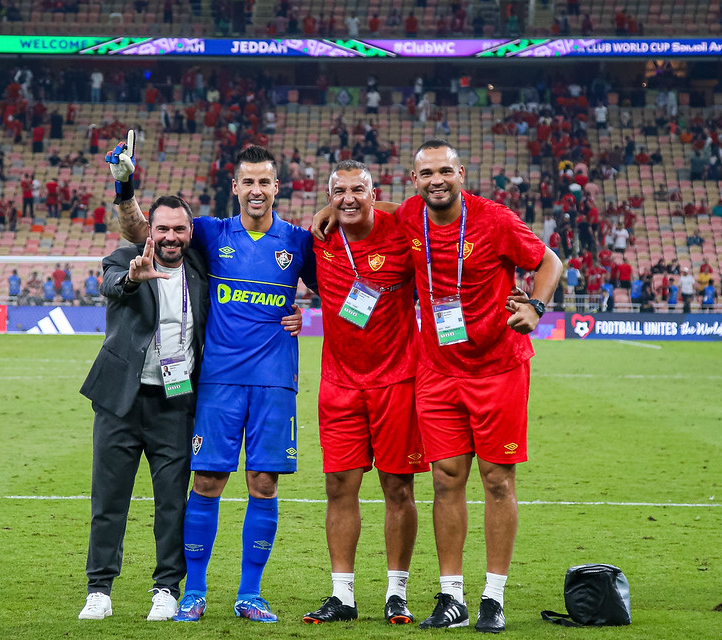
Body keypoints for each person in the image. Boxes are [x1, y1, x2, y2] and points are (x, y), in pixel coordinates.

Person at [313, 139, 561, 633]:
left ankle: (493, 596)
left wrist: (536, 305)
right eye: (426, 174)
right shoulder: (409, 216)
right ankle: (453, 598)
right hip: (437, 370)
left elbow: (549, 260)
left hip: (498, 367)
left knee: (496, 480)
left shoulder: (495, 220)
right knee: (446, 480)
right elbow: (367, 203)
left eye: (445, 171)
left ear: (462, 172)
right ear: (415, 180)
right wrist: (333, 204)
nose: (436, 181)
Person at [113, 136, 315, 624]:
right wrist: (125, 187)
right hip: (218, 380)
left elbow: (339, 286)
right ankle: (195, 591)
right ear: (235, 186)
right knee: (207, 480)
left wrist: (305, 312)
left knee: (263, 481)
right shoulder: (210, 232)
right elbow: (141, 230)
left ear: (276, 186)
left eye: (264, 181)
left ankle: (250, 593)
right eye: (248, 182)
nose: (256, 190)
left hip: (274, 382)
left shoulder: (299, 241)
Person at [302, 161, 428, 625]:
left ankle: (397, 592)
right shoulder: (316, 238)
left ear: (374, 193)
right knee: (339, 487)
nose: (349, 198)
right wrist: (329, 209)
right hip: (338, 385)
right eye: (339, 191)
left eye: (359, 190)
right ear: (329, 194)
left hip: (397, 380)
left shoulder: (401, 231)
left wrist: (340, 206)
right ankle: (343, 596)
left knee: (398, 487)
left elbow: (427, 213)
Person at [78, 195, 209, 622]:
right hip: (121, 400)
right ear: (149, 231)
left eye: (179, 229)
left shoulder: (203, 269)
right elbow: (112, 284)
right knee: (109, 500)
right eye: (163, 229)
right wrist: (134, 278)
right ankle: (99, 589)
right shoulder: (124, 258)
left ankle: (166, 588)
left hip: (175, 401)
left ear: (190, 232)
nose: (171, 237)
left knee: (173, 502)